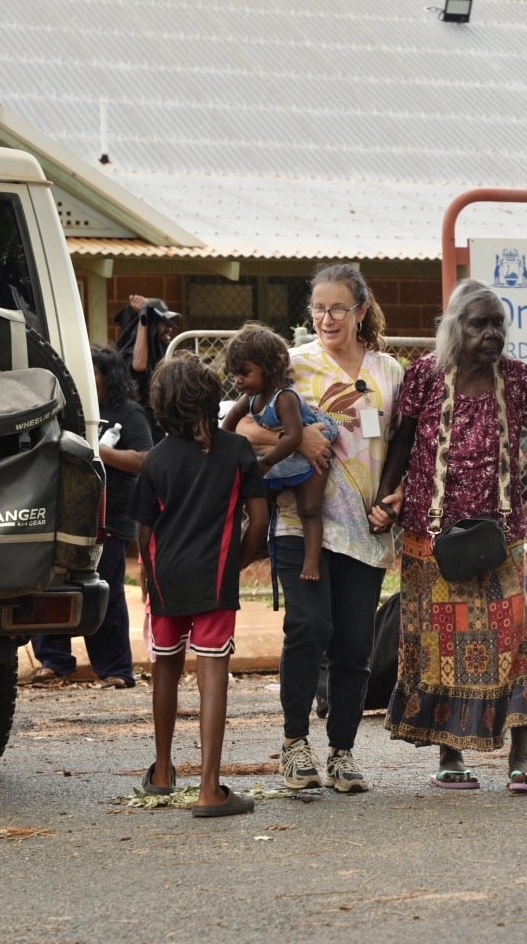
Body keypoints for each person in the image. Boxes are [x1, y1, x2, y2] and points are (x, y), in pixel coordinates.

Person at [372, 279, 527, 794]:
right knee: (440, 648)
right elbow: (399, 444)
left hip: (498, 539)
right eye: (478, 323)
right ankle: (449, 753)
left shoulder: (520, 380)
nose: (490, 333)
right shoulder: (424, 376)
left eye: (497, 324)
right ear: (455, 327)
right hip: (429, 541)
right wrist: (387, 495)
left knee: (512, 644)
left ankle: (521, 753)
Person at [272, 264, 404, 795]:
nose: (327, 318)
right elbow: (241, 423)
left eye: (338, 309)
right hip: (298, 523)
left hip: (365, 529)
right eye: (319, 309)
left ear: (361, 311)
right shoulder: (292, 365)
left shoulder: (390, 371)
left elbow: (401, 445)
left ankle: (342, 751)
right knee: (307, 626)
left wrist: (395, 498)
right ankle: (294, 743)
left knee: (354, 643)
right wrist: (299, 438)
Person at [130, 351, 269, 818]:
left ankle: (164, 772)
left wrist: (149, 581)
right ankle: (210, 789)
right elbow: (259, 519)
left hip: (166, 579)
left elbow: (144, 534)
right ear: (211, 398)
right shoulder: (236, 451)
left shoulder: (155, 461)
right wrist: (237, 564)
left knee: (164, 669)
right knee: (213, 676)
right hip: (214, 579)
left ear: (162, 406)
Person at [30, 346, 153, 687]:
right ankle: (54, 661)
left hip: (109, 519)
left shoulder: (128, 413)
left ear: (107, 375)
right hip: (63, 516)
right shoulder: (69, 407)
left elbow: (144, 459)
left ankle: (114, 669)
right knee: (52, 585)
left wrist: (99, 452)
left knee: (107, 592)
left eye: (91, 370)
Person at [220, 322, 339, 582]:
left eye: (244, 373)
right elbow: (228, 424)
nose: (238, 380)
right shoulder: (251, 397)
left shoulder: (284, 397)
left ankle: (311, 561)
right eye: (234, 374)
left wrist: (264, 463)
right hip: (281, 455)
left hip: (311, 454)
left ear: (270, 368)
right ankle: (253, 549)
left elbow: (295, 436)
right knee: (260, 505)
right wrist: (222, 449)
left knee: (309, 508)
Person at [115, 294, 180, 437]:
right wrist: (143, 318)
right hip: (136, 421)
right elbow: (138, 364)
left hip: (156, 420)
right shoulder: (127, 353)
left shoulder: (162, 348)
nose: (169, 328)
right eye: (162, 322)